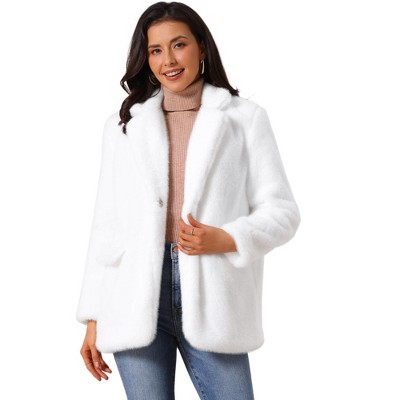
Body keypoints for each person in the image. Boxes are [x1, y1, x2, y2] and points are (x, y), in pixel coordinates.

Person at [76, 2, 301, 399]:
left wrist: (228, 238)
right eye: (156, 50)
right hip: (134, 299)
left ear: (201, 47)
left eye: (178, 45)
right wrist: (93, 317)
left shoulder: (244, 118)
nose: (168, 60)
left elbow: (282, 211)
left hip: (215, 299)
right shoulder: (123, 126)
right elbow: (106, 226)